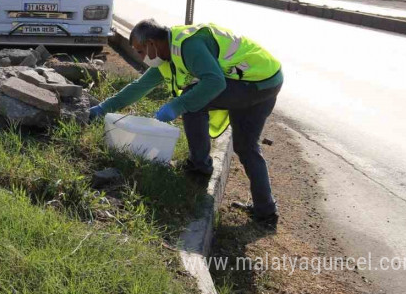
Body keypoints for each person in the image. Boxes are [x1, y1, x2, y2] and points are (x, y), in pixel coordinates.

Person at [89, 19, 283, 228]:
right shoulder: (167, 57)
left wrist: (177, 105)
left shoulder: (189, 46)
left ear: (152, 43)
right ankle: (266, 212)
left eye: (140, 50)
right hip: (267, 77)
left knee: (192, 101)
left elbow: (214, 82)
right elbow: (139, 87)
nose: (141, 56)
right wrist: (103, 108)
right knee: (245, 146)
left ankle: (199, 168)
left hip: (256, 81)